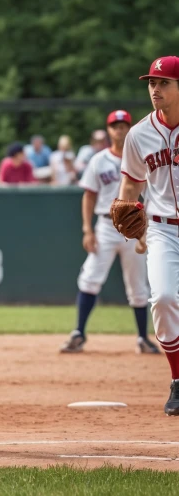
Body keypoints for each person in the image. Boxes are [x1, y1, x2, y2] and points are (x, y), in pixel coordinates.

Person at [111, 56, 179, 415]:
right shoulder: (139, 134)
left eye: (164, 82)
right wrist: (126, 209)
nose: (155, 89)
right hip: (163, 230)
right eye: (151, 83)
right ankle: (178, 381)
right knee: (164, 299)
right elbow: (131, 185)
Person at [60, 110, 159, 354]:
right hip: (105, 225)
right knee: (90, 278)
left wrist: (145, 231)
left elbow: (152, 195)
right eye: (115, 126)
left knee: (138, 287)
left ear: (130, 128)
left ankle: (142, 338)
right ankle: (79, 333)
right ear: (109, 131)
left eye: (124, 125)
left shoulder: (141, 158)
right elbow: (89, 196)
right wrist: (87, 230)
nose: (120, 130)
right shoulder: (98, 160)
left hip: (134, 227)